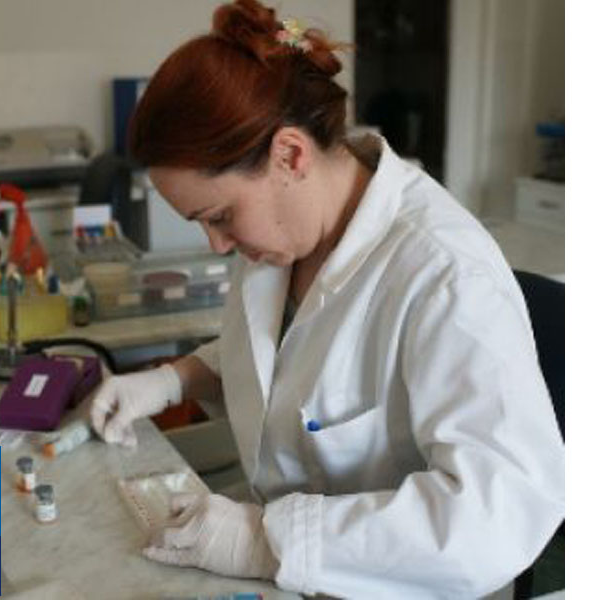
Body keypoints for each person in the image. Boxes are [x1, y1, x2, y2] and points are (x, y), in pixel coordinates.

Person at [89, 0, 565, 597]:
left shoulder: (444, 274)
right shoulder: (285, 239)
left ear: (290, 155)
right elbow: (282, 358)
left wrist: (263, 542)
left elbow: (497, 519)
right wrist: (173, 380)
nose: (217, 244)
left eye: (220, 216)